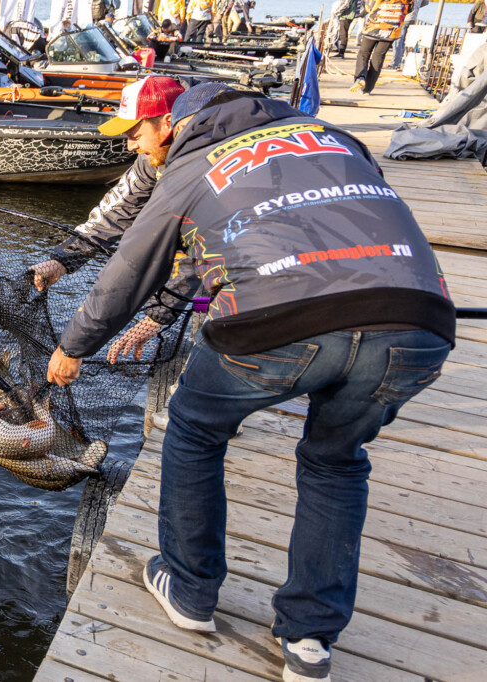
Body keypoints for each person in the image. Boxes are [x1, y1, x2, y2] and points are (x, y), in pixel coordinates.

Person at [47, 82, 455, 682]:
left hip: (278, 323)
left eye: (137, 132)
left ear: (174, 124)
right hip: (418, 323)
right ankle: (310, 639)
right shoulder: (336, 138)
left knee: (195, 429)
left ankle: (189, 588)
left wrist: (72, 347)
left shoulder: (191, 165)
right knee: (336, 464)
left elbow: (129, 271)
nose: (133, 144)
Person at [30, 77, 198, 355]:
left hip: (253, 282)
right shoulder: (153, 157)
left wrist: (159, 315)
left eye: (135, 134)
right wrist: (62, 260)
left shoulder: (204, 164)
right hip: (211, 273)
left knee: (212, 320)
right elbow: (117, 208)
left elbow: (195, 245)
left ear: (168, 123)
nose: (130, 146)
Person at [351, 0, 412, 95]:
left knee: (364, 53)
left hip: (374, 26)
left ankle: (360, 77)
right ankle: (367, 89)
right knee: (378, 57)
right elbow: (410, 9)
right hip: (392, 29)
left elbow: (368, 7)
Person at [389, 0, 427, 70]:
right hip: (413, 17)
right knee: (404, 40)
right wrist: (416, 7)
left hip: (403, 17)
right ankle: (400, 61)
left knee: (398, 39)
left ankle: (395, 63)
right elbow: (425, 3)